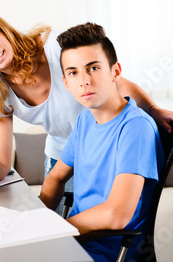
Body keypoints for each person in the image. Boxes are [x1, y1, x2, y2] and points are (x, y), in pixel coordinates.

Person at [0, 10, 173, 191]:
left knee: (101, 230)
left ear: (2, 30)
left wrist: (153, 109)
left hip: (103, 148)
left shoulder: (54, 47)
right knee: (61, 232)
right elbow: (0, 162)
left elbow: (114, 81)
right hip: (62, 156)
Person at [39, 22, 164, 261]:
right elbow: (56, 176)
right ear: (66, 82)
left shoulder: (135, 128)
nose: (84, 81)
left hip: (104, 253)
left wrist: (57, 230)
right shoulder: (86, 120)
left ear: (115, 71)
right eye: (73, 72)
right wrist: (36, 223)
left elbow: (116, 214)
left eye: (93, 68)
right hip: (74, 245)